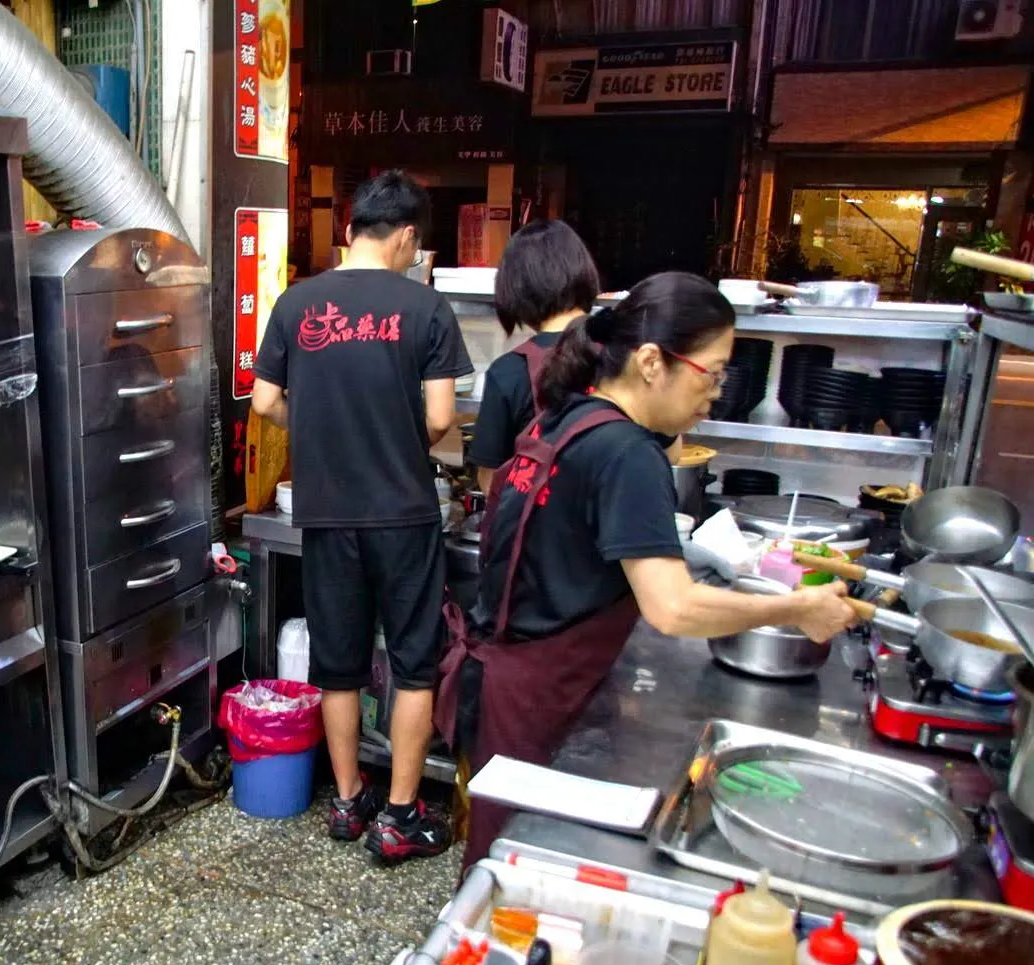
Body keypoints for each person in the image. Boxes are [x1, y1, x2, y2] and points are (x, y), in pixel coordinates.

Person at [435, 272, 858, 872]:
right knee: (523, 872)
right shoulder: (626, 454)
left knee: (502, 860)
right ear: (652, 362)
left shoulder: (565, 418)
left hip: (508, 679)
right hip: (540, 701)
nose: (716, 390)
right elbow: (673, 607)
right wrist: (796, 608)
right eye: (712, 371)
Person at [251, 171, 473, 863]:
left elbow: (263, 404)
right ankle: (401, 814)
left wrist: (314, 424)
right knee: (412, 663)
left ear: (352, 230)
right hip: (403, 512)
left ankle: (347, 801)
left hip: (326, 511)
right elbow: (440, 418)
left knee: (337, 663)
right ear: (407, 235)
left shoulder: (295, 303)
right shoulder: (426, 309)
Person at [468, 220, 602, 491]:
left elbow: (490, 480)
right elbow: (669, 451)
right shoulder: (632, 355)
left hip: (542, 530)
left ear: (516, 289)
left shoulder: (508, 372)